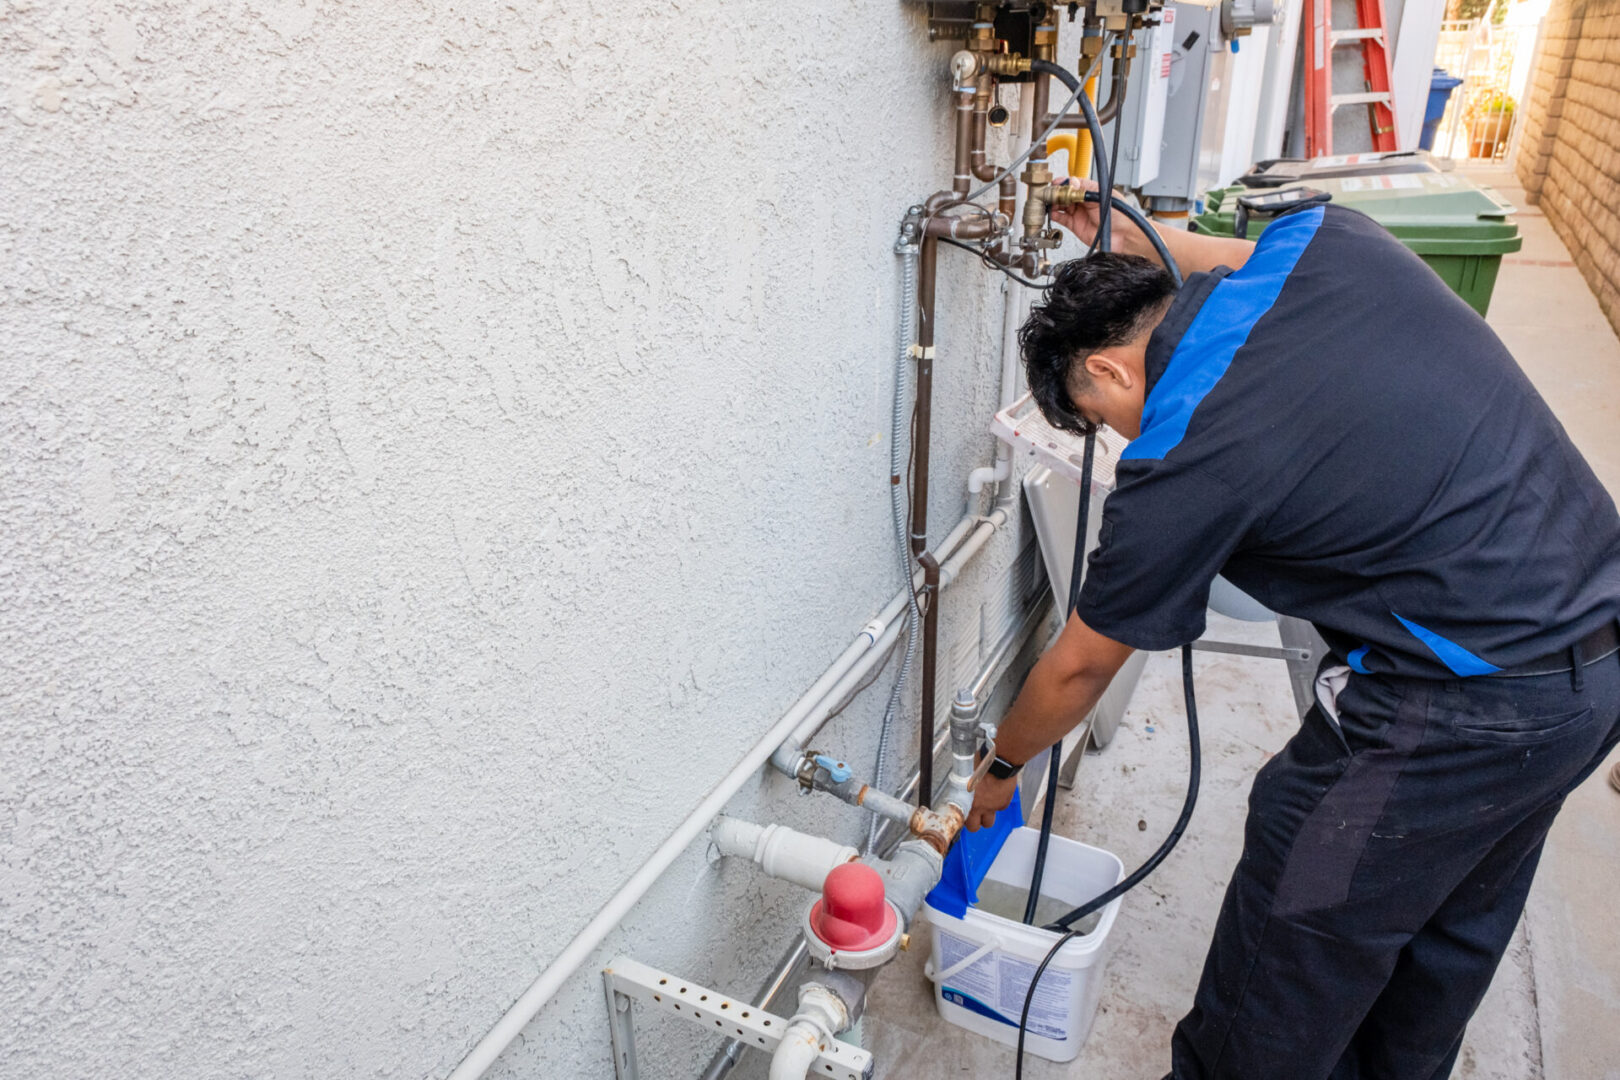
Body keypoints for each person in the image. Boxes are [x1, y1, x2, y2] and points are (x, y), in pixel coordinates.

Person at [962, 183, 1620, 1080]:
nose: (1119, 441)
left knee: (1290, 948)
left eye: (1098, 423)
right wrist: (1134, 236)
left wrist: (1001, 769)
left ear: (1111, 370)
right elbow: (1221, 258)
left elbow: (1079, 668)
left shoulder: (1183, 455)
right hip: (1592, 662)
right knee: (1442, 934)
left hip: (1464, 711)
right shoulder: (1334, 244)